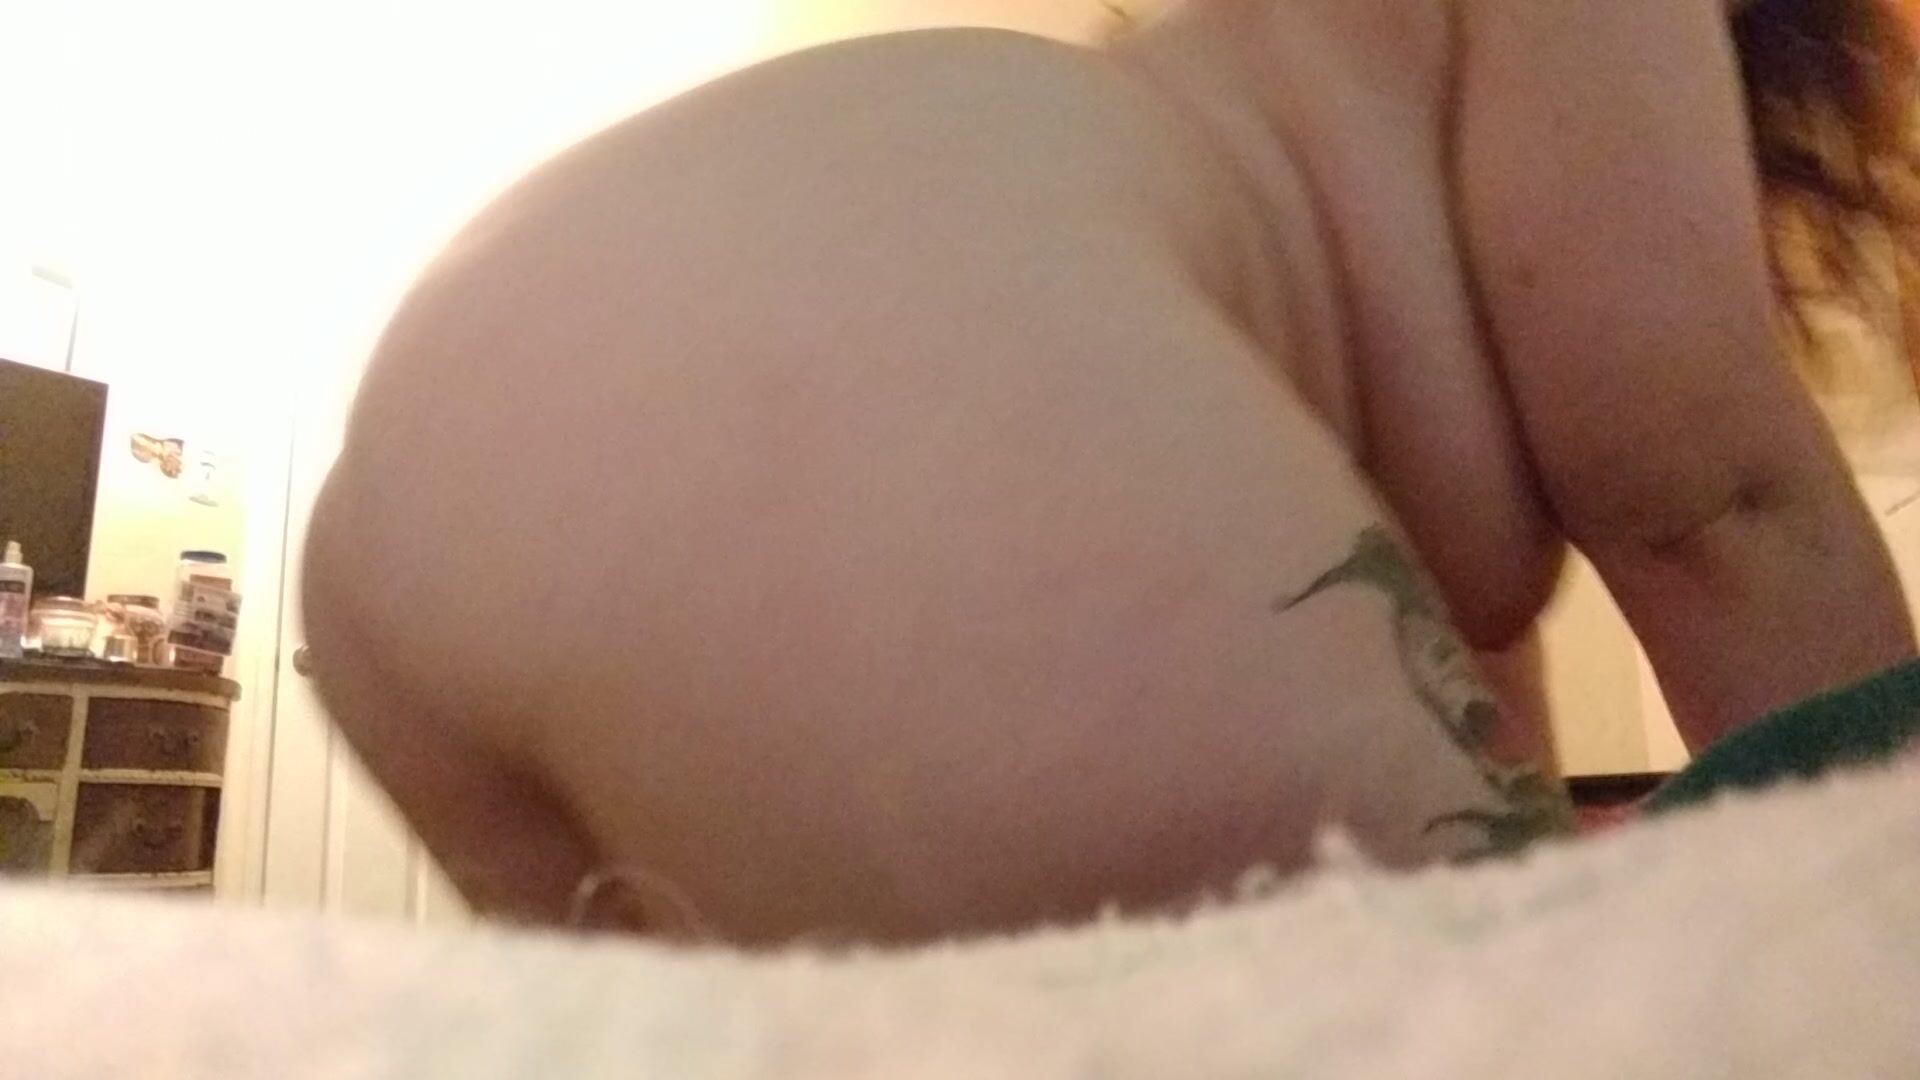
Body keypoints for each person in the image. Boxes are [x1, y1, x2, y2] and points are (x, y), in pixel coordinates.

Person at [303, 0, 1919, 944]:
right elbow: (1710, 496)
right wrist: (1881, 869)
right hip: (910, 349)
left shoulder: (1248, 157)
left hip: (430, 462)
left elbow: (1425, 657)